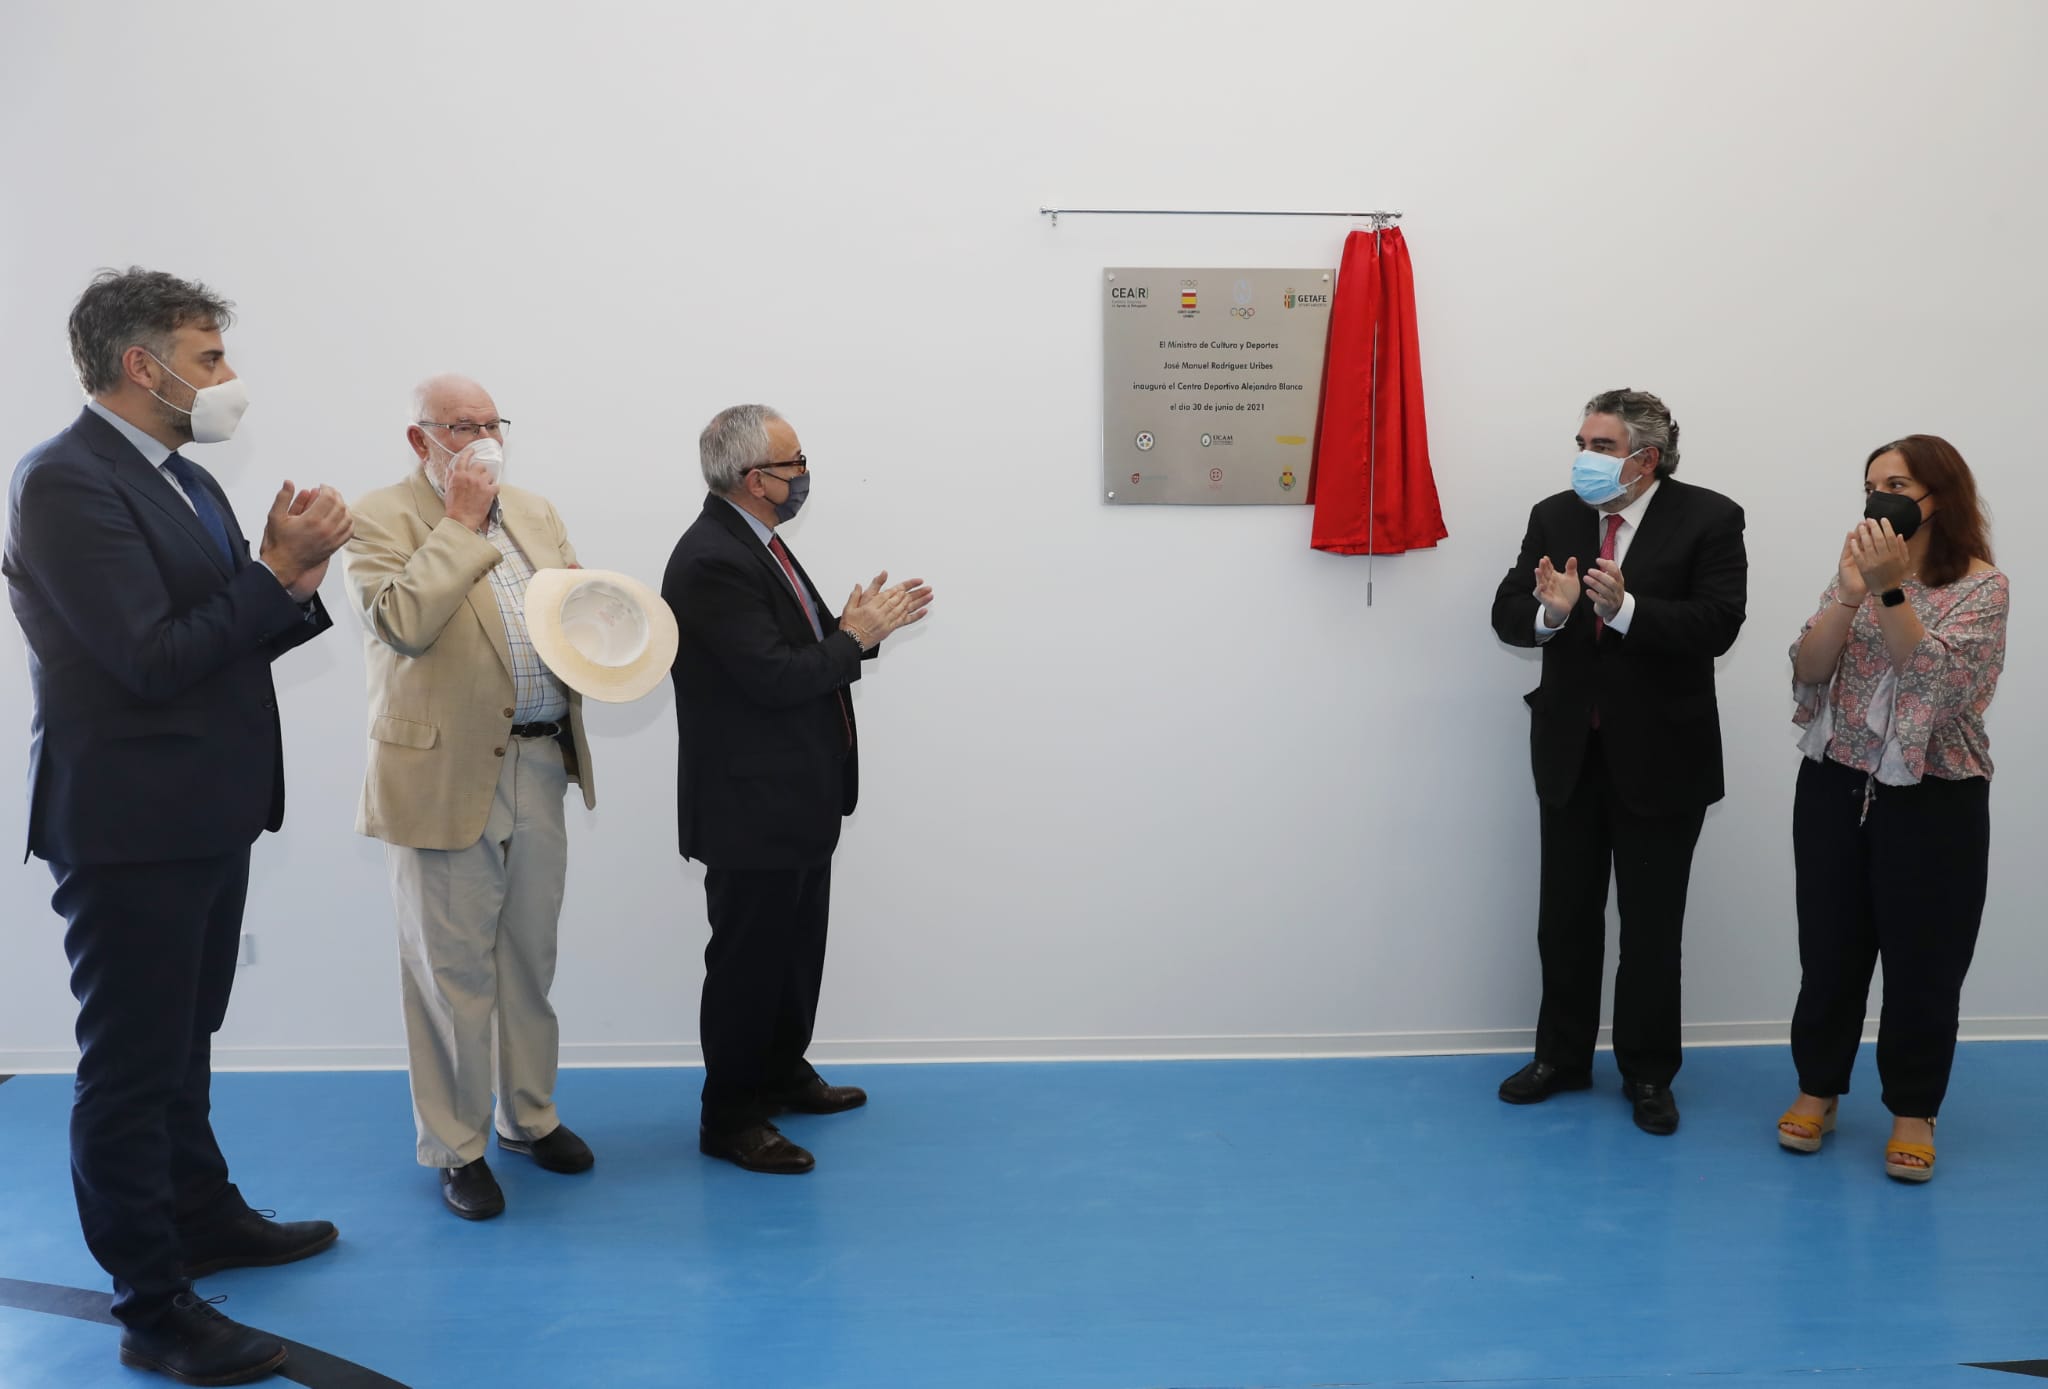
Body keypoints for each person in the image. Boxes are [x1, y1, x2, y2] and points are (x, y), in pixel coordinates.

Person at [3, 268, 350, 1384]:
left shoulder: (186, 479)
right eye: (208, 359)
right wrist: (275, 572)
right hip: (129, 824)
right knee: (130, 1067)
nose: (227, 380)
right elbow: (148, 658)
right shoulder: (63, 481)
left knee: (180, 1044)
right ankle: (154, 1309)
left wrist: (291, 581)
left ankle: (202, 1215)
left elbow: (224, 632)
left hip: (206, 809)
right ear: (142, 367)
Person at [342, 375, 597, 1220]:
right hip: (442, 771)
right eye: (462, 424)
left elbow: (570, 614)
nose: (483, 436)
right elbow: (402, 621)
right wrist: (458, 522)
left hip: (536, 760)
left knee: (529, 957)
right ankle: (457, 1145)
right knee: (450, 971)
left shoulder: (536, 509)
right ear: (422, 440)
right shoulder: (380, 516)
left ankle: (529, 1116)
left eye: (493, 422)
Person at [662, 404, 932, 1174]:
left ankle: (781, 1072)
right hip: (753, 806)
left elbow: (791, 650)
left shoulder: (760, 544)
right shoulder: (712, 558)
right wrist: (855, 638)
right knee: (749, 962)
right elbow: (775, 679)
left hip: (797, 797)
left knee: (793, 952)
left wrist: (847, 631)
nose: (804, 473)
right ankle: (732, 1116)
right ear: (755, 479)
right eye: (795, 461)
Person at [1488, 388, 1747, 1135]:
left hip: (1664, 757)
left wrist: (1625, 610)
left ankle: (1647, 1072)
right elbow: (1508, 610)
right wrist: (1554, 612)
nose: (1584, 457)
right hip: (1571, 752)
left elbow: (1718, 623)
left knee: (1651, 926)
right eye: (1580, 440)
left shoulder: (1710, 516)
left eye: (1599, 445)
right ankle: (1562, 1058)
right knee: (1564, 918)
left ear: (1646, 457)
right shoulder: (1555, 514)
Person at [1776, 435, 2006, 1182]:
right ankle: (1818, 1088)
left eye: (1899, 482)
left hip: (1935, 797)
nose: (1882, 497)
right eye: (1872, 483)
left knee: (1925, 960)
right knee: (1831, 949)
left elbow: (1937, 688)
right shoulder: (1854, 571)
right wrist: (1850, 592)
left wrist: (1891, 589)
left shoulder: (1982, 587)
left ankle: (1914, 1109)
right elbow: (1810, 671)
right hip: (1838, 785)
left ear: (1940, 495)